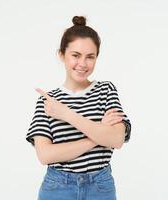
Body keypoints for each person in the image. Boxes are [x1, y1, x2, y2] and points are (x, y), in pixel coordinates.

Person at [26, 15, 131, 200]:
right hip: (58, 187)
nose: (82, 64)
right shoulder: (49, 101)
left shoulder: (106, 90)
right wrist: (97, 137)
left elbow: (116, 139)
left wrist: (66, 114)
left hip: (100, 187)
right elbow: (45, 155)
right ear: (62, 55)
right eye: (75, 55)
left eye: (90, 57)